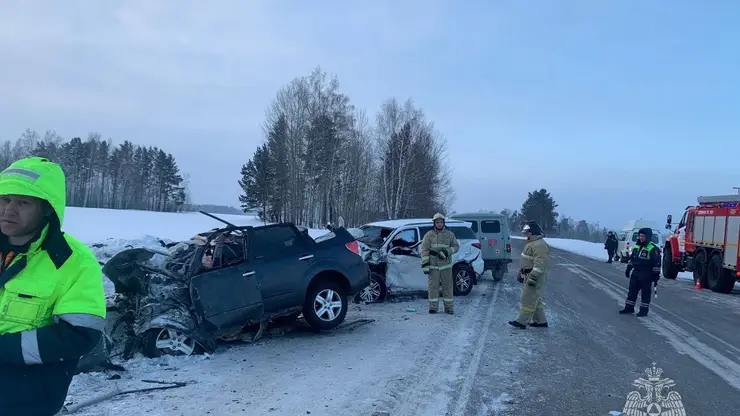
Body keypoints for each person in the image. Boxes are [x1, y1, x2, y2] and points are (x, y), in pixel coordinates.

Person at [0, 157, 107, 416]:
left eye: (23, 202)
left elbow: (79, 334)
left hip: (26, 401)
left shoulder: (74, 262)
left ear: (47, 209)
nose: (8, 211)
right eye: (4, 200)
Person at [509, 221, 550, 329]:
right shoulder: (532, 243)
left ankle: (521, 322)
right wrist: (520, 273)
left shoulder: (539, 244)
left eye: (527, 232)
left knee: (528, 298)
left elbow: (540, 263)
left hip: (535, 276)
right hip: (528, 274)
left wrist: (533, 277)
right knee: (535, 299)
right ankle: (541, 321)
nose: (525, 234)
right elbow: (527, 261)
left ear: (533, 232)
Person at [421, 213, 459, 314]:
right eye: (437, 222)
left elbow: (456, 247)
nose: (439, 224)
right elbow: (424, 250)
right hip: (433, 266)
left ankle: (449, 308)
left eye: (441, 222)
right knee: (433, 287)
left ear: (444, 223)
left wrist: (446, 252)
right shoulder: (428, 235)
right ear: (434, 223)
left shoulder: (450, 234)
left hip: (446, 265)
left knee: (447, 287)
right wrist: (425, 265)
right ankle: (433, 307)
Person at [619, 228, 661, 317]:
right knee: (632, 291)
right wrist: (628, 269)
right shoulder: (636, 247)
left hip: (646, 274)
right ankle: (629, 307)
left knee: (645, 293)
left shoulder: (653, 248)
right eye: (640, 236)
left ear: (648, 237)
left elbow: (657, 263)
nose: (641, 238)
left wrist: (656, 275)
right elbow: (632, 259)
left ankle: (644, 310)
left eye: (643, 236)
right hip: (636, 272)